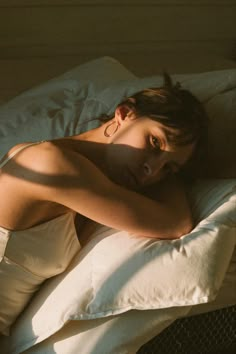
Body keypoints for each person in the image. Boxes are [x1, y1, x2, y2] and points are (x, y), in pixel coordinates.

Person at [0, 73, 208, 335]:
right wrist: (170, 173)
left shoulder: (89, 179)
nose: (152, 171)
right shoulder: (49, 164)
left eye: (168, 169)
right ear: (124, 114)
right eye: (155, 142)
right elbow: (175, 223)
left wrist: (165, 163)